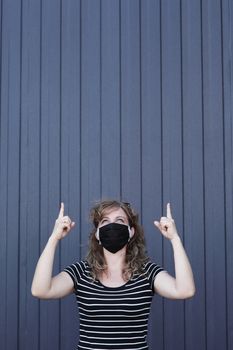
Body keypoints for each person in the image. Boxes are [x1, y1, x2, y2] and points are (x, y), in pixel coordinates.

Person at [31, 200, 195, 350]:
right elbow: (41, 290)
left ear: (131, 232)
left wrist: (175, 239)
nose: (112, 225)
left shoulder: (147, 272)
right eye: (105, 221)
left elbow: (185, 290)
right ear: (97, 234)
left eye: (120, 220)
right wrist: (54, 237)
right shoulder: (80, 272)